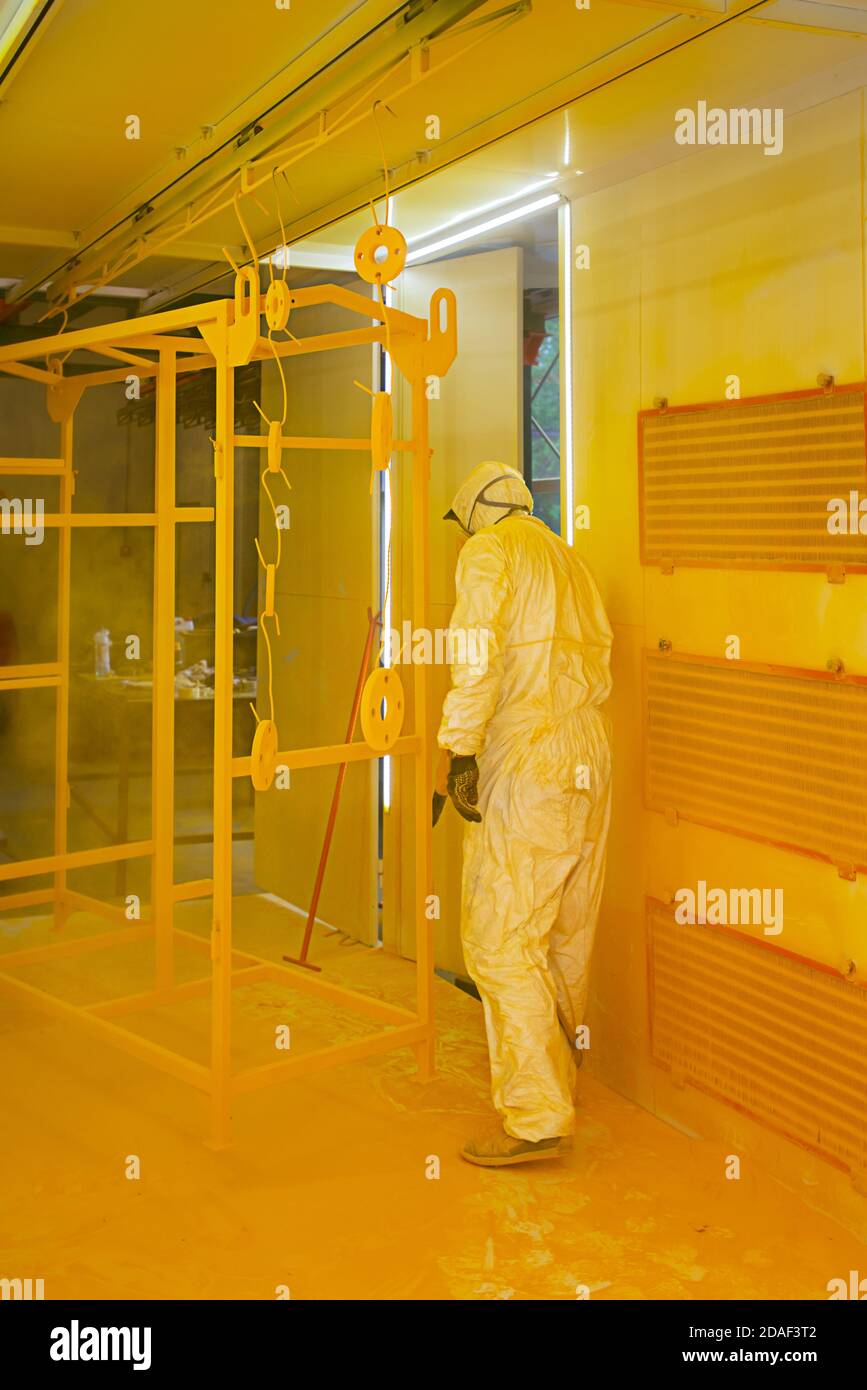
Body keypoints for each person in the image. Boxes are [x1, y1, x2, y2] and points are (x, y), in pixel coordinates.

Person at [435, 461, 612, 1168]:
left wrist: (459, 749)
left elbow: (475, 656)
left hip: (529, 753)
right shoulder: (569, 559)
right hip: (587, 751)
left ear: (473, 513)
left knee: (501, 938)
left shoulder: (490, 551)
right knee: (565, 927)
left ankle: (536, 1117)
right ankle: (562, 1078)